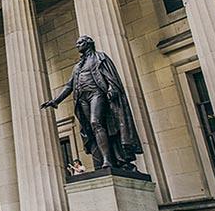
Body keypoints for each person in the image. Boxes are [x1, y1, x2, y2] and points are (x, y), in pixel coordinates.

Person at [41, 35, 142, 170]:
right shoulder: (78, 67)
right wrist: (56, 101)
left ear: (89, 43)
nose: (78, 46)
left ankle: (108, 160)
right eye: (77, 44)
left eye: (80, 43)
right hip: (82, 99)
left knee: (96, 122)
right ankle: (102, 159)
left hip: (97, 94)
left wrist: (112, 88)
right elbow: (69, 85)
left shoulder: (100, 58)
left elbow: (111, 77)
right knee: (90, 128)